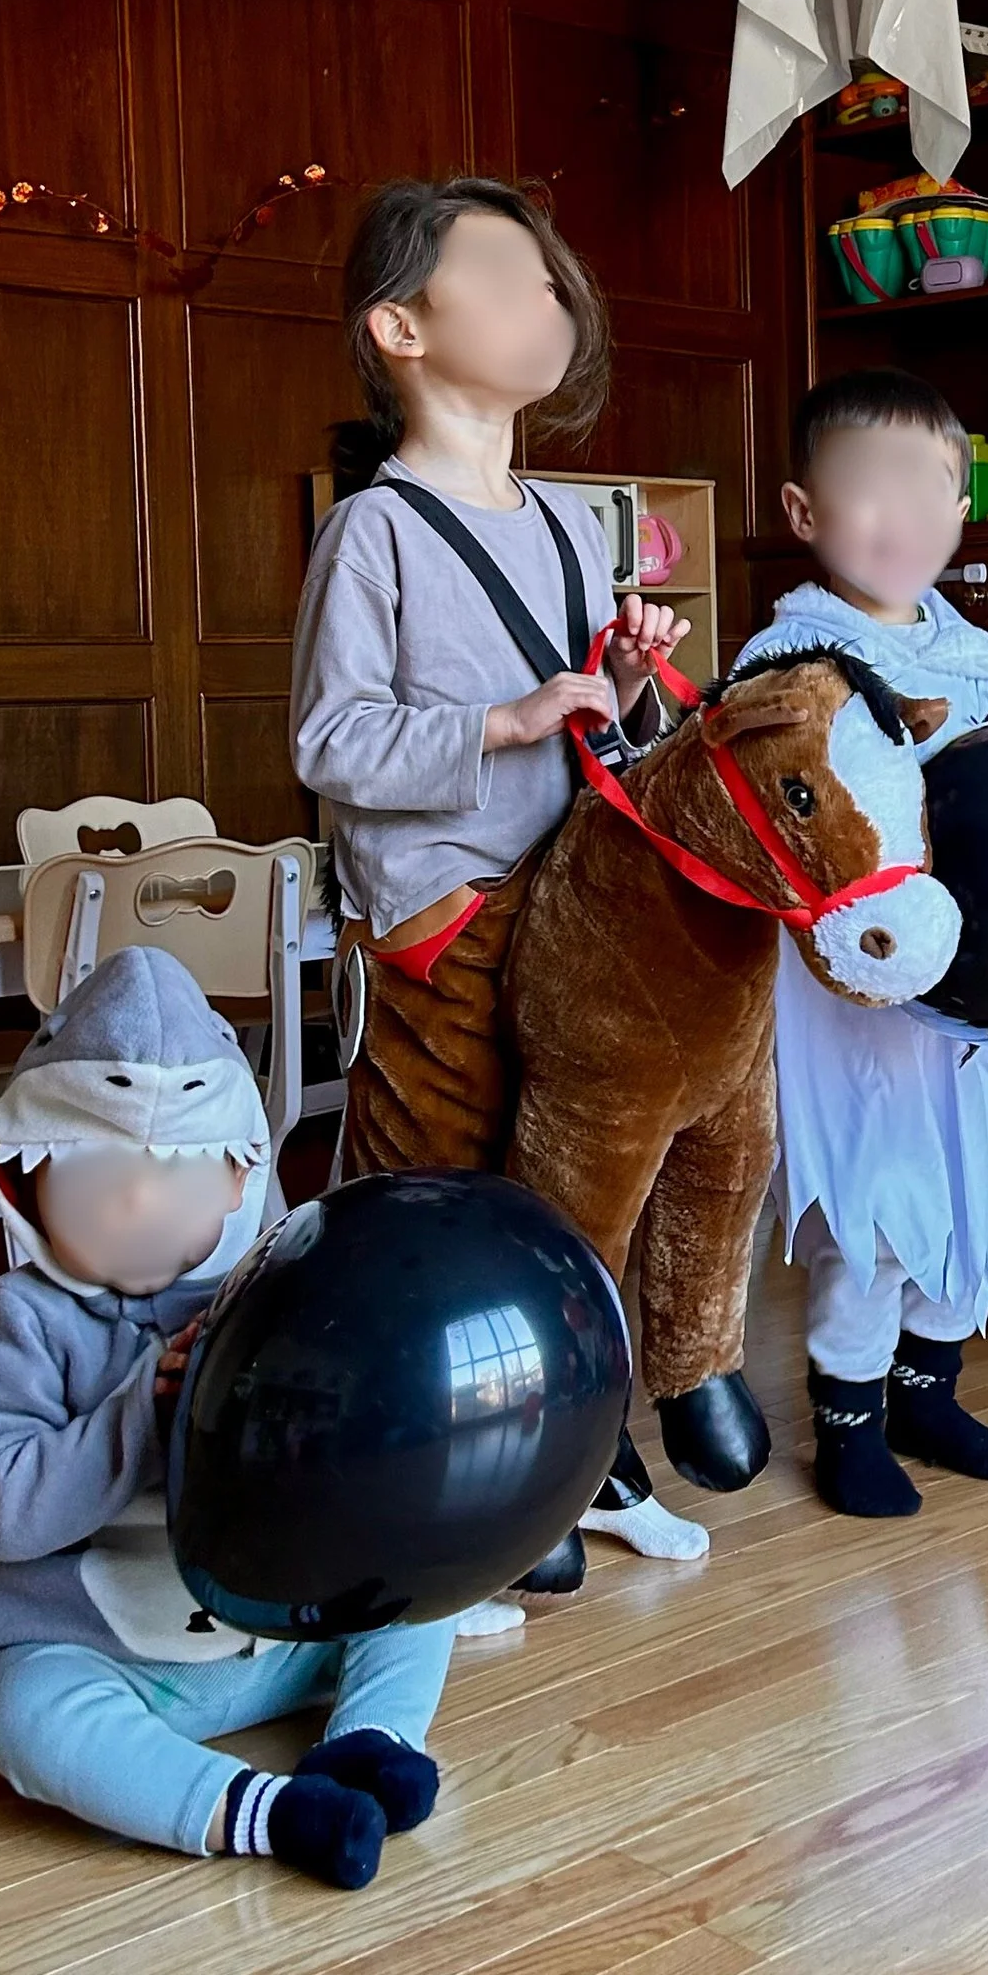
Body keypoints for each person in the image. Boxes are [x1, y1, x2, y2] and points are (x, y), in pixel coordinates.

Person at [289, 175, 703, 1597]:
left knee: (580, 1190)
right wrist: (502, 723)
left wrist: (622, 693)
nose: (552, 294)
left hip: (569, 909)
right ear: (402, 326)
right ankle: (424, 1498)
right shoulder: (373, 531)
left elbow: (600, 733)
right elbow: (330, 743)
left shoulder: (566, 524)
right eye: (510, 272)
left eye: (551, 275)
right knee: (444, 1199)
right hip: (446, 922)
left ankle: (574, 1455)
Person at [0, 949, 451, 1889]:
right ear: (24, 1180)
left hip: (286, 1636)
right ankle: (250, 1809)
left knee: (423, 1593)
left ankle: (372, 1738)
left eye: (175, 1178)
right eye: (99, 1179)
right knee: (13, 1710)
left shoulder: (279, 1289)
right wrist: (143, 1410)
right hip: (104, 1650)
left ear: (239, 1180)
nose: (139, 1207)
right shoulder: (21, 1321)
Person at [733, 370, 988, 1516]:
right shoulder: (785, 671)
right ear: (803, 512)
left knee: (970, 1178)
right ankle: (850, 1417)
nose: (904, 515)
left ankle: (931, 1387)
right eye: (871, 489)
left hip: (985, 987)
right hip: (857, 997)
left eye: (932, 488)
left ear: (964, 511)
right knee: (870, 1200)